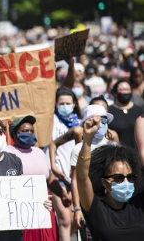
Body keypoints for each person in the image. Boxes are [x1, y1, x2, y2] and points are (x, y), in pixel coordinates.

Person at [76, 120, 144, 239]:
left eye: (130, 177)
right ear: (104, 182)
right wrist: (87, 140)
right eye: (118, 178)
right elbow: (82, 177)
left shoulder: (139, 203)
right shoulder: (96, 207)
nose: (126, 182)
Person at [6, 116, 64, 241]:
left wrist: (63, 195)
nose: (29, 134)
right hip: (21, 210)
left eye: (31, 131)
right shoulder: (7, 153)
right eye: (25, 131)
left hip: (44, 206)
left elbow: (48, 177)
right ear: (14, 134)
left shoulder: (39, 152)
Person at [69, 104, 118, 239]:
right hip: (88, 205)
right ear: (87, 124)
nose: (100, 125)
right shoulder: (78, 149)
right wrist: (77, 208)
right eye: (96, 121)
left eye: (103, 121)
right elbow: (75, 180)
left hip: (112, 204)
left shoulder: (113, 146)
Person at [47, 88, 82, 241]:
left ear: (74, 104)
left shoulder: (80, 123)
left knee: (76, 219)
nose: (65, 106)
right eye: (61, 103)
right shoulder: (51, 121)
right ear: (55, 104)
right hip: (57, 175)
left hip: (75, 177)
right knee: (65, 219)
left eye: (68, 103)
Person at [108, 79, 144, 148]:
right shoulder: (109, 112)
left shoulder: (139, 110)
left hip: (137, 154)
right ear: (115, 92)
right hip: (117, 154)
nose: (125, 92)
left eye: (127, 89)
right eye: (121, 89)